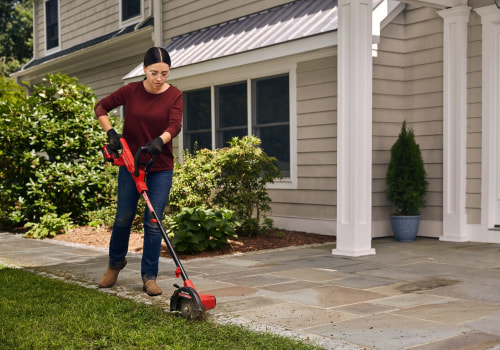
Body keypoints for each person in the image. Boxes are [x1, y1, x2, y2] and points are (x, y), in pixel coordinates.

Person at [94, 47, 182, 296]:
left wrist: (160, 140)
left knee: (153, 222)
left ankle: (149, 277)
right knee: (123, 217)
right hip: (131, 165)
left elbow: (175, 124)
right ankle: (114, 264)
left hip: (160, 167)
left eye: (164, 73)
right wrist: (111, 132)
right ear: (144, 70)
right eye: (154, 72)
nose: (159, 78)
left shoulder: (174, 95)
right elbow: (101, 107)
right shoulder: (131, 91)